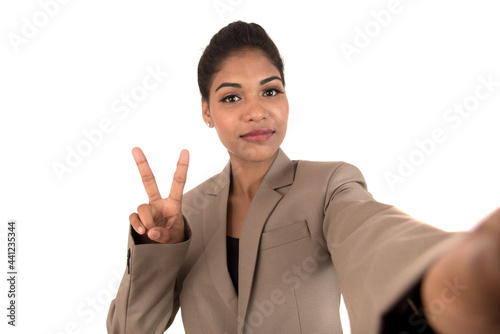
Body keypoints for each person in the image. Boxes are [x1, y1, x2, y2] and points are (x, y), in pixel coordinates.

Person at [107, 21, 500, 334]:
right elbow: (129, 330)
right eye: (231, 97)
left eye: (270, 91)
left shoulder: (328, 185)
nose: (256, 112)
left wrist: (450, 275)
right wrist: (157, 248)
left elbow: (373, 236)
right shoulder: (185, 216)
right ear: (206, 112)